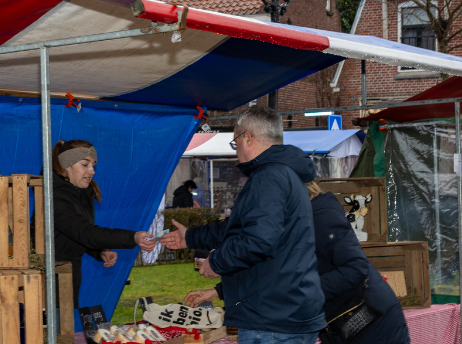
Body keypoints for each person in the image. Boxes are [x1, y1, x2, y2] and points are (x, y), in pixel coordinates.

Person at [161, 105, 325, 344]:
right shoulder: (286, 174)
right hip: (286, 311)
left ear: (248, 137)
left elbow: (259, 241)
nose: (235, 147)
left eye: (235, 140)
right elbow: (240, 229)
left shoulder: (268, 177)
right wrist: (191, 237)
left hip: (271, 319)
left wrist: (216, 263)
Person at [185, 181, 410, 344]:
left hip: (373, 323)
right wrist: (219, 291)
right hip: (340, 324)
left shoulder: (321, 217)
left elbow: (355, 269)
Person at [52, 139, 156, 305]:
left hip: (67, 274)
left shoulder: (82, 194)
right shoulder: (54, 198)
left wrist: (98, 251)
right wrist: (133, 237)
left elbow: (74, 234)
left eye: (93, 165)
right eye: (85, 164)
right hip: (47, 277)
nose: (92, 171)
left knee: (63, 328)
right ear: (66, 166)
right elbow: (86, 233)